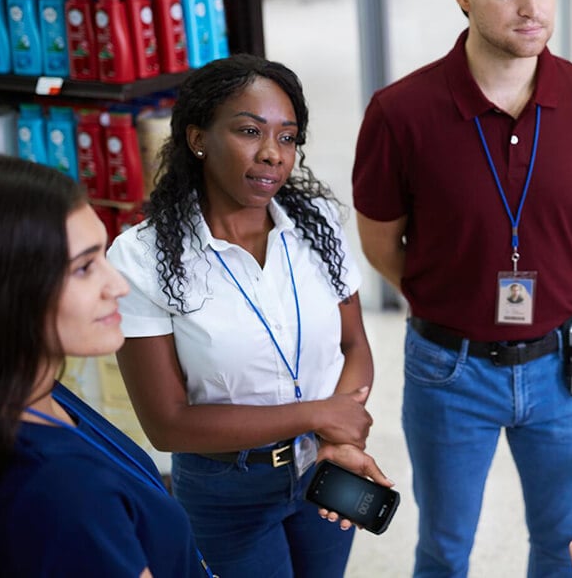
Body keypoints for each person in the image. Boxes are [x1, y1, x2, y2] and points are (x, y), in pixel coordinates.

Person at [352, 0, 572, 574]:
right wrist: (445, 294)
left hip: (561, 366)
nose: (532, 7)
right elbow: (380, 242)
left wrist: (559, 281)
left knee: (561, 543)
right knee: (443, 547)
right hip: (449, 370)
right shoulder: (400, 113)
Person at [108, 54, 389, 577]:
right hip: (224, 489)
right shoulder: (141, 257)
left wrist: (338, 437)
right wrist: (317, 416)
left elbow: (354, 346)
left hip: (325, 467)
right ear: (198, 138)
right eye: (249, 131)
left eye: (287, 137)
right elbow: (167, 425)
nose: (271, 155)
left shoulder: (317, 225)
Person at [0, 153, 208, 577]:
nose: (118, 286)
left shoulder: (24, 390)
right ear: (3, 291)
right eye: (85, 268)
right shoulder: (64, 489)